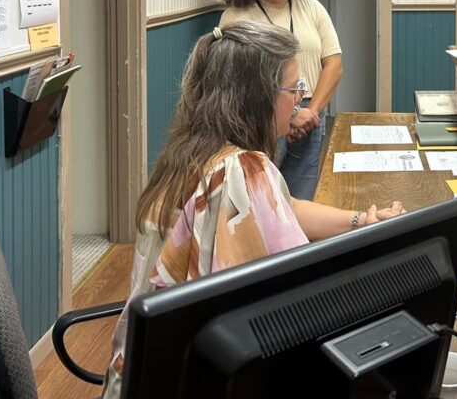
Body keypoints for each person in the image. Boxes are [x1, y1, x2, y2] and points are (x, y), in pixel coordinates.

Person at [102, 21, 402, 398]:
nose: (299, 99)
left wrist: (363, 221)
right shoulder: (241, 173)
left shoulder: (190, 154)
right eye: (294, 89)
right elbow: (298, 299)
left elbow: (285, 208)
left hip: (141, 375)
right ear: (257, 96)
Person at [216, 0, 342, 200]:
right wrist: (288, 115)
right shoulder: (236, 17)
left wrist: (311, 112)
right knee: (261, 199)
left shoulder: (313, 9)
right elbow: (236, 82)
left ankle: (300, 245)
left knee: (300, 198)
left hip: (310, 118)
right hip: (259, 121)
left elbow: (333, 65)